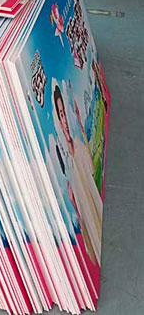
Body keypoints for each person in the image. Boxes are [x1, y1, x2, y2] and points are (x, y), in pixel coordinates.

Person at [52, 84, 103, 265]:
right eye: (61, 115)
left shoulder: (79, 146)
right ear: (58, 121)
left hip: (96, 208)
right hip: (87, 218)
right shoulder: (65, 163)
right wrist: (73, 203)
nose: (64, 120)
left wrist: (81, 125)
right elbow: (76, 208)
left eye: (64, 114)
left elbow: (91, 167)